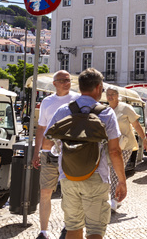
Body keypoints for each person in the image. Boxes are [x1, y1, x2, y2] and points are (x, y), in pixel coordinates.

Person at [45, 68, 127, 239]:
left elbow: (47, 140)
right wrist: (121, 180)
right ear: (98, 87)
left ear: (80, 87)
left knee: (73, 227)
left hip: (68, 176)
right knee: (95, 229)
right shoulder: (105, 113)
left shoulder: (63, 111)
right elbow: (114, 151)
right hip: (96, 176)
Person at [32, 70, 79, 239]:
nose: (67, 82)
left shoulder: (77, 99)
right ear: (55, 83)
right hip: (48, 153)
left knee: (68, 192)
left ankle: (68, 226)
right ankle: (43, 232)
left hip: (69, 154)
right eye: (63, 80)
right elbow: (41, 128)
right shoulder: (47, 101)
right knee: (45, 192)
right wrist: (36, 152)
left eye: (68, 79)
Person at [106, 86, 147, 212]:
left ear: (117, 95)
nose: (110, 96)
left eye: (113, 94)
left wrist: (144, 139)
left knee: (115, 170)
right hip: (112, 146)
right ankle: (116, 197)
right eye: (108, 94)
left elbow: (136, 124)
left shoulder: (126, 108)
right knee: (109, 171)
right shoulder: (107, 110)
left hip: (125, 145)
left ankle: (114, 200)